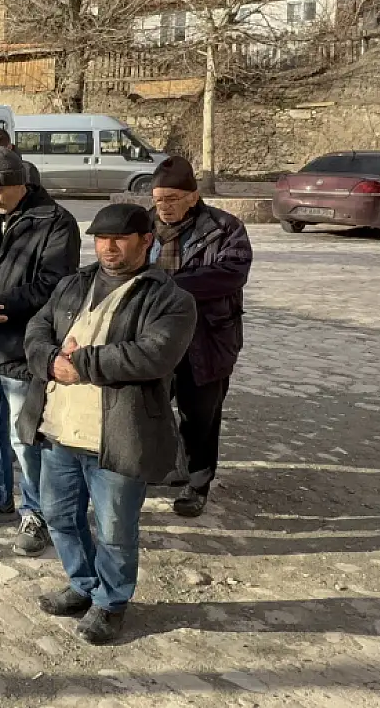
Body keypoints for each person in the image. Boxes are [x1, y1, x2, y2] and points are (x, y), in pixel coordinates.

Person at [19, 203, 197, 645]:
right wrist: (50, 361)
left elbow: (153, 353)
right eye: (101, 238)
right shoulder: (72, 285)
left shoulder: (168, 298)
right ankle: (82, 585)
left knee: (116, 530)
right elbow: (36, 330)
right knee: (59, 517)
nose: (109, 247)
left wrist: (79, 363)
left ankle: (111, 603)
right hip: (60, 428)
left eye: (119, 238)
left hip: (118, 437)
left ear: (146, 241)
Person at [0, 148, 80, 553]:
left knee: (25, 436)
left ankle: (36, 512)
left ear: (21, 184)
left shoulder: (55, 222)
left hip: (24, 344)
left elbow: (53, 284)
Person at [146, 156, 253, 517]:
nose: (164, 207)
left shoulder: (225, 228)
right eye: (159, 199)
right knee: (149, 406)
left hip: (207, 337)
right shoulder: (144, 226)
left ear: (193, 196)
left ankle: (197, 481)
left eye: (173, 198)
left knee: (200, 415)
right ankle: (161, 467)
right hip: (154, 336)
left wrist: (164, 286)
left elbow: (229, 275)